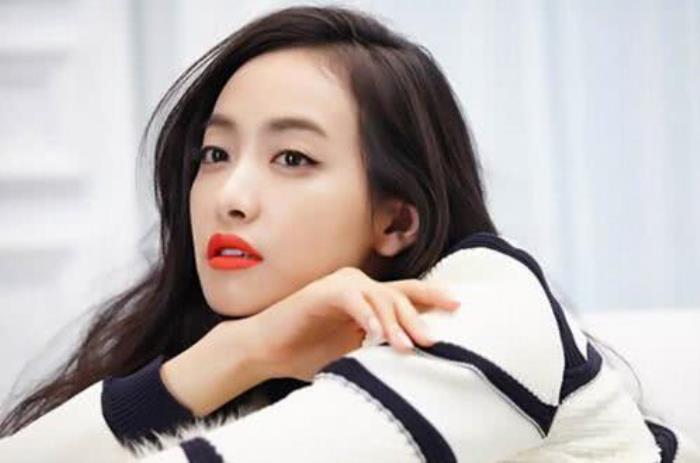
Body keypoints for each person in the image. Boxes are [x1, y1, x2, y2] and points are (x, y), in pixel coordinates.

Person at [1, 5, 698, 462]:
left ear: (396, 220)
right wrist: (240, 351)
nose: (229, 198)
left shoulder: (478, 310)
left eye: (292, 158)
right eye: (214, 154)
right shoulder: (267, 371)